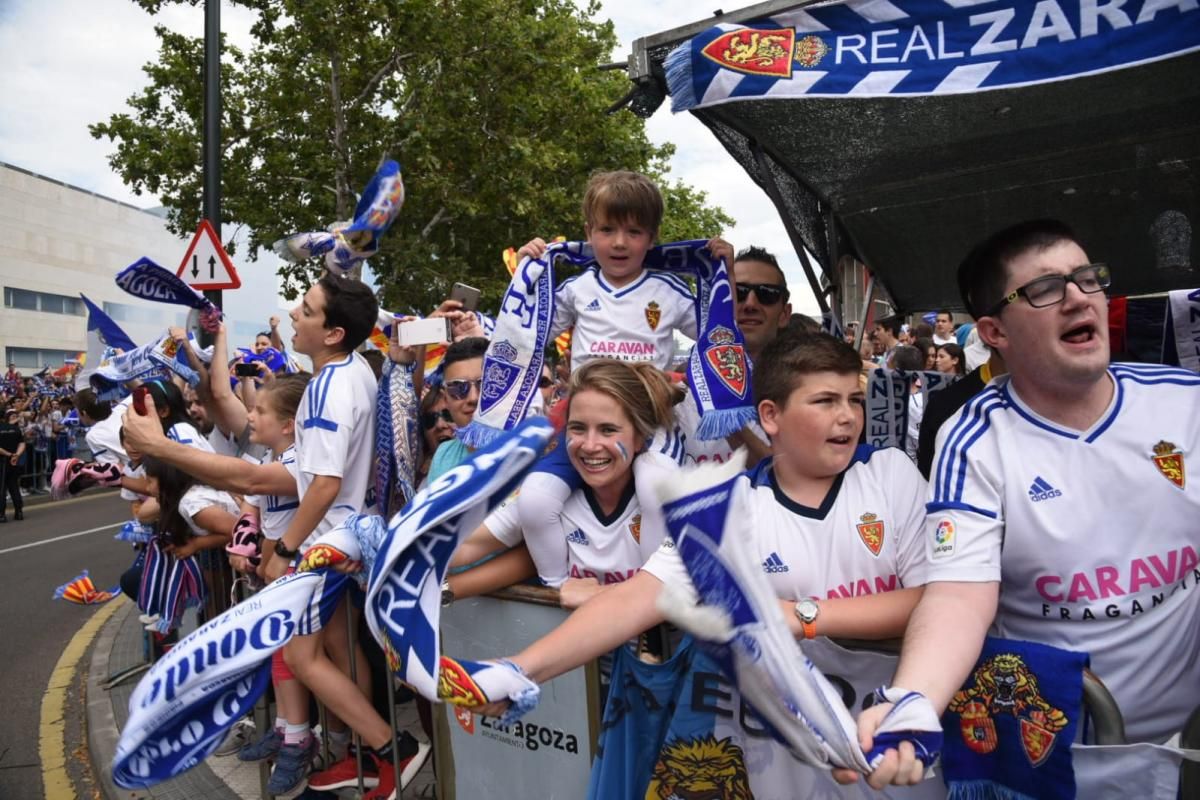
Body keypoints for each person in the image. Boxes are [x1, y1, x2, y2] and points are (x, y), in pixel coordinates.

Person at [463, 332, 935, 797]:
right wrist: (520, 669)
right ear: (770, 415)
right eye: (826, 401)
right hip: (784, 765)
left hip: (898, 751)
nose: (848, 416)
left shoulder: (890, 473)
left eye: (855, 398)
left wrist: (797, 616)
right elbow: (638, 597)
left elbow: (930, 604)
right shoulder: (727, 507)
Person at [854, 219, 1200, 789]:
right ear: (995, 331)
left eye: (1087, 278)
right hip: (1059, 755)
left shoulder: (1182, 401)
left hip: (1189, 741)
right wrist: (913, 699)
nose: (1077, 298)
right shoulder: (974, 439)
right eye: (1044, 289)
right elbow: (960, 596)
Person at [453, 359, 683, 604]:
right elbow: (463, 546)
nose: (590, 446)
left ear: (640, 438)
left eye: (608, 430)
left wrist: (590, 596)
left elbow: (682, 598)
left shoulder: (670, 497)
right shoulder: (550, 498)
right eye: (578, 428)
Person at [677, 246, 789, 467]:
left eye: (767, 294)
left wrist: (723, 406)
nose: (750, 304)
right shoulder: (684, 385)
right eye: (738, 292)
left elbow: (791, 478)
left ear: (784, 314)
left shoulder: (802, 388)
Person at [427, 337, 488, 481]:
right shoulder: (443, 455)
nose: (473, 398)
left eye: (484, 384)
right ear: (446, 399)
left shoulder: (527, 446)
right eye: (458, 388)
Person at [0, 408, 26, 521]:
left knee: (1, 487)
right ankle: (19, 511)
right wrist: (16, 455)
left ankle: (1, 514)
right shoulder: (15, 428)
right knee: (14, 486)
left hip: (2, 460)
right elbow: (22, 443)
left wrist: (9, 454)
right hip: (14, 461)